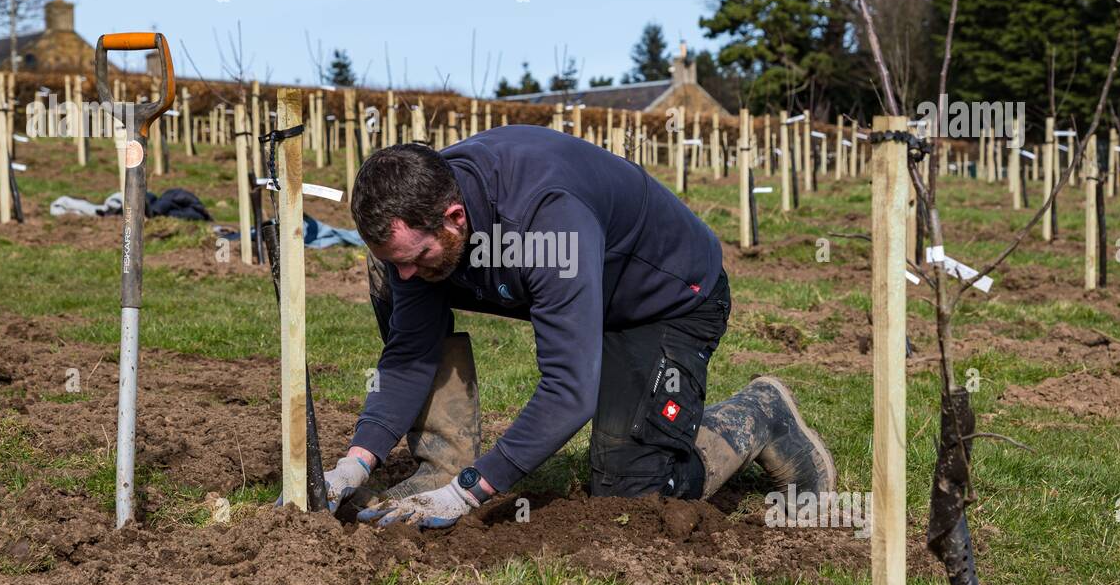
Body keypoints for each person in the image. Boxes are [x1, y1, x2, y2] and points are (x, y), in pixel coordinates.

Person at [303, 125, 835, 528]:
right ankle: (443, 461)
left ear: (455, 217)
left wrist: (471, 493)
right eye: (400, 257)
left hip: (665, 299)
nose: (407, 272)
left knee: (631, 497)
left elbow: (568, 388)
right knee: (393, 282)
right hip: (578, 283)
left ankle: (761, 413)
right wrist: (355, 462)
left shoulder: (545, 219)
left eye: (415, 255)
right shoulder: (425, 217)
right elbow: (410, 352)